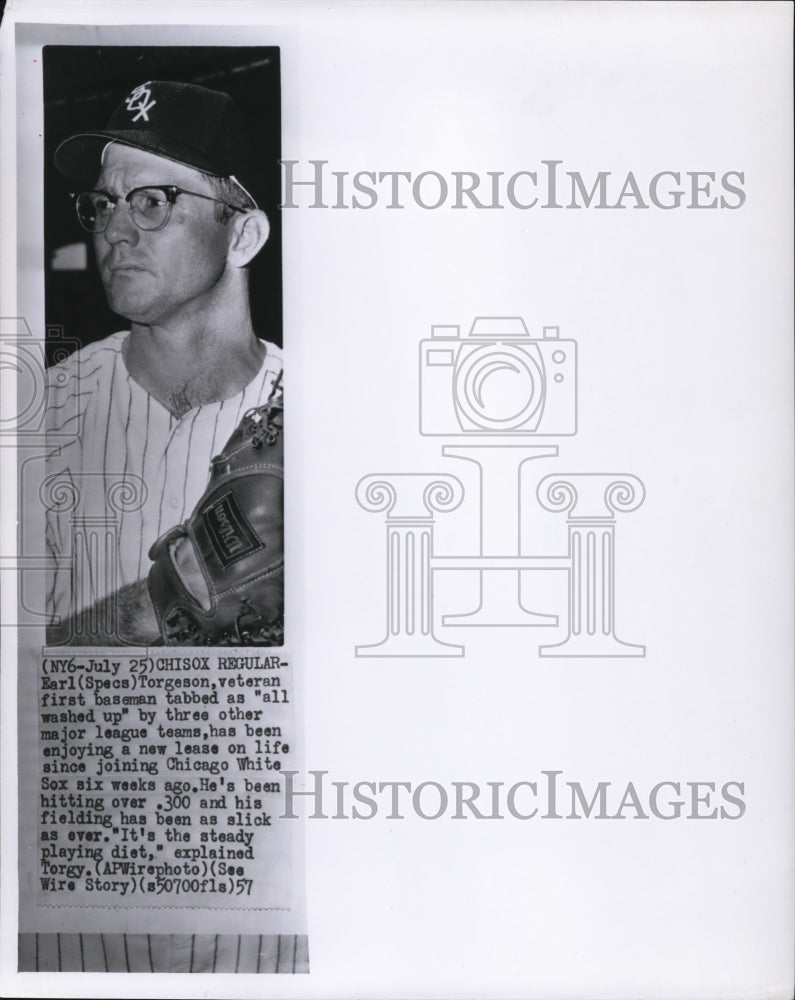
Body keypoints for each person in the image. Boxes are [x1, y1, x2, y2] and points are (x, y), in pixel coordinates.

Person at [45, 80, 283, 646]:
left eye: (153, 201)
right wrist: (155, 607)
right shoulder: (38, 412)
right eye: (104, 203)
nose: (115, 231)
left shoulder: (322, 416)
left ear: (243, 236)